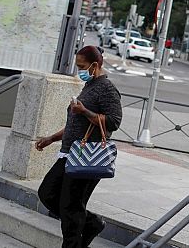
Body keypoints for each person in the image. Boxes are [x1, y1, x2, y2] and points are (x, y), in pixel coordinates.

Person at [36, 46, 123, 248]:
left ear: (95, 65)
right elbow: (75, 125)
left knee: (70, 208)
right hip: (69, 153)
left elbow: (113, 122)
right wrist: (51, 138)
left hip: (87, 156)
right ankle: (91, 223)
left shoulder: (107, 88)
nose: (79, 71)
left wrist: (84, 111)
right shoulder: (90, 85)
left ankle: (78, 238)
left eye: (82, 67)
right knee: (47, 193)